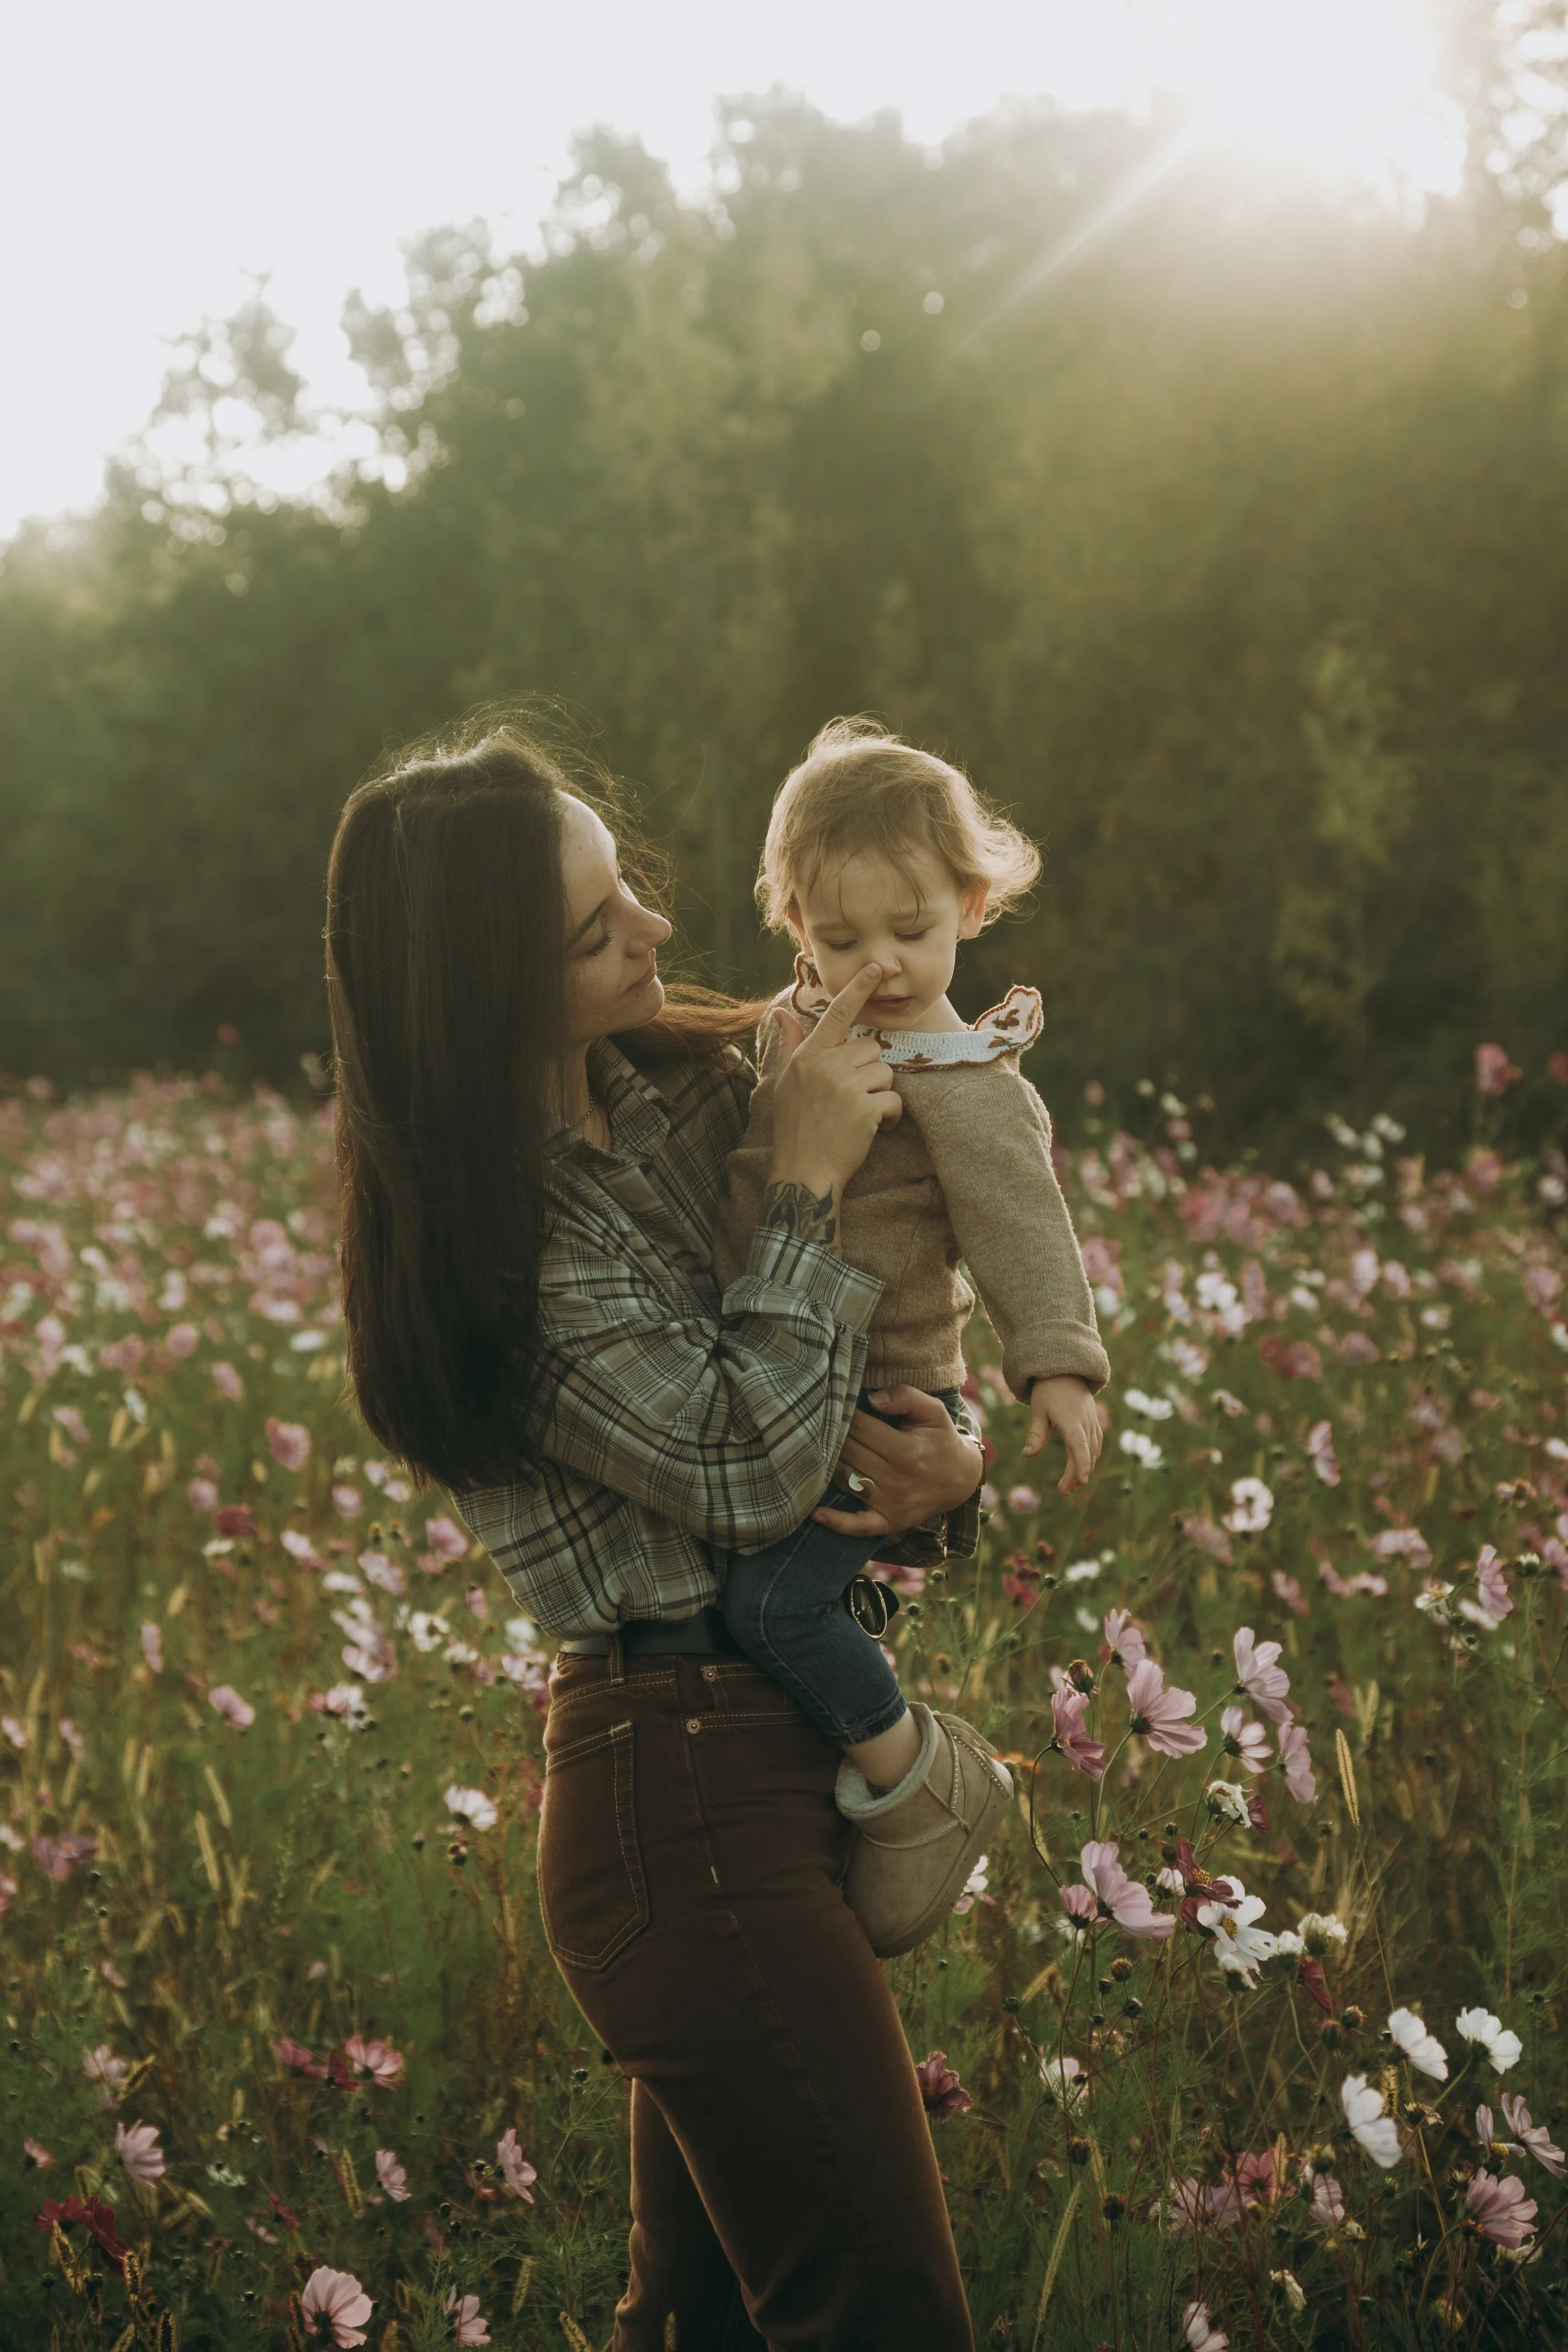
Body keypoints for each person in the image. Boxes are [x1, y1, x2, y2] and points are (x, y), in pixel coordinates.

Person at [326, 716, 987, 2351]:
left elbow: (887, 1317)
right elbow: (746, 1461)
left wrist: (949, 1464)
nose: (655, 931)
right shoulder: (504, 1247)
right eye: (594, 925)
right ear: (488, 988)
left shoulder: (686, 1091)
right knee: (876, 2309)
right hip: (674, 1796)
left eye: (624, 884)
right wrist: (812, 1184)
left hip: (768, 1753)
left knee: (700, 2323)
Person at [712, 719, 1109, 1957]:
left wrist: (1054, 1361)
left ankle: (921, 1784)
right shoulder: (778, 1034)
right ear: (792, 924)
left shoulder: (958, 1069)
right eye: (839, 940)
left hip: (890, 1399)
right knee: (744, 1600)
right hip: (772, 1371)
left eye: (910, 930)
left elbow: (1017, 1219)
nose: (877, 965)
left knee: (770, 1614)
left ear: (971, 907)